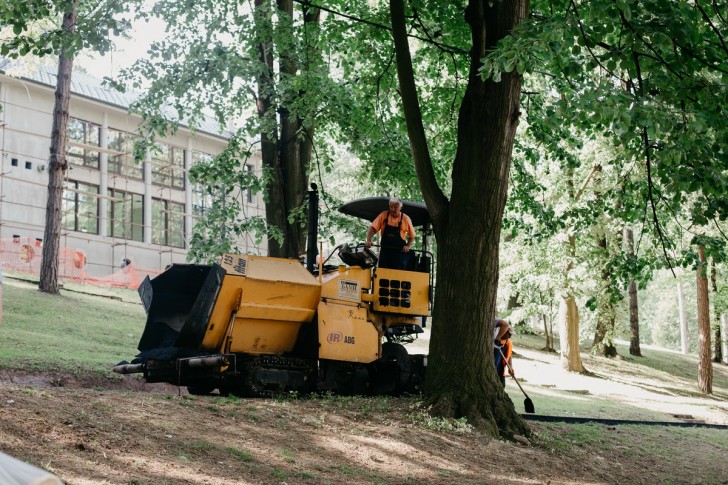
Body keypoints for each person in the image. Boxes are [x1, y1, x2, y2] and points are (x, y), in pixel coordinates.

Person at [364, 198, 415, 270]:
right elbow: (372, 228)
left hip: (399, 254)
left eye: (395, 207)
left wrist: (407, 246)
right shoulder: (383, 215)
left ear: (400, 208)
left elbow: (412, 236)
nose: (393, 209)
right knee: (383, 274)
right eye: (391, 207)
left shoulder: (405, 219)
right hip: (385, 253)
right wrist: (368, 240)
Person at [493, 318, 515, 387]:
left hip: (501, 370)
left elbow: (509, 355)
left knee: (502, 386)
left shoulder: (508, 343)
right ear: (504, 331)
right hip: (493, 369)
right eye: (509, 334)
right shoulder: (494, 341)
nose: (510, 336)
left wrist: (510, 367)